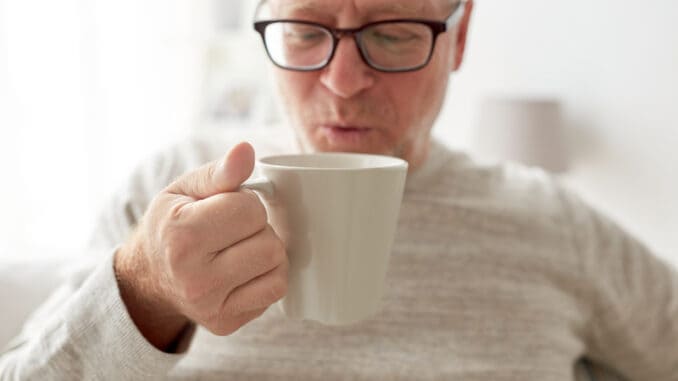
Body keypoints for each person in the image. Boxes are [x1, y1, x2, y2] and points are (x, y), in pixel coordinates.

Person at [1, 0, 676, 379]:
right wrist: (144, 291)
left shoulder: (551, 220)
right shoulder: (169, 192)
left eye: (391, 34)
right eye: (302, 32)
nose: (344, 81)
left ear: (459, 37)